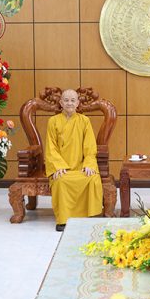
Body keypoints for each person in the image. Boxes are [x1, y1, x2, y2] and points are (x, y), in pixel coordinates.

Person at [45, 89, 102, 231]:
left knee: (92, 178)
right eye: (66, 100)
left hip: (80, 166)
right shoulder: (53, 121)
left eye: (72, 100)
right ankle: (63, 220)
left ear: (77, 103)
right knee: (60, 181)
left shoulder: (84, 121)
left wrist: (89, 164)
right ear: (60, 103)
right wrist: (58, 166)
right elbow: (51, 147)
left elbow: (90, 146)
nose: (69, 103)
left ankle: (87, 216)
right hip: (62, 168)